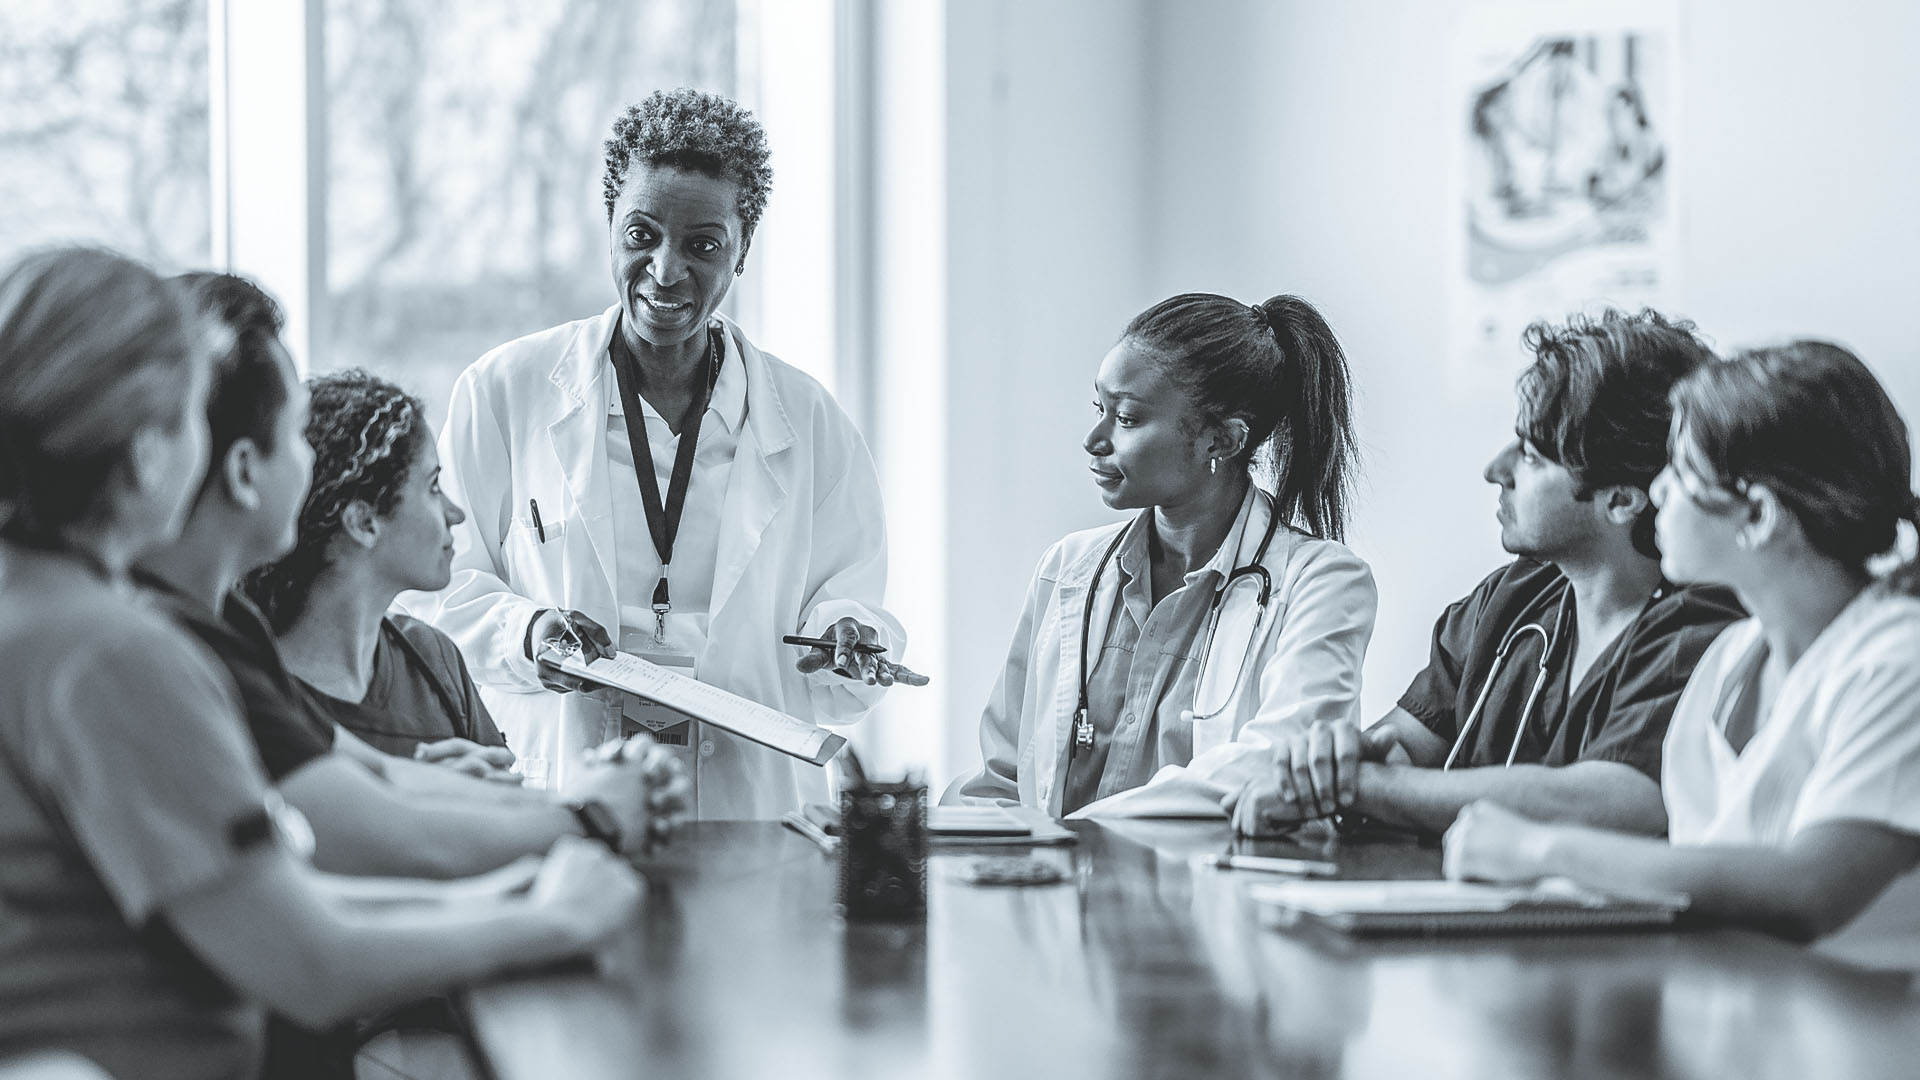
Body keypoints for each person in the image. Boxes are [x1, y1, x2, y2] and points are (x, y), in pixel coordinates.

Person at [0, 247, 641, 1080]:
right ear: (151, 454)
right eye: (197, 412)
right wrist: (554, 919)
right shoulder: (111, 653)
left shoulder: (46, 612)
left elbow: (270, 899)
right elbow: (309, 963)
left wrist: (508, 896)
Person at [405, 87, 924, 814]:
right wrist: (527, 633)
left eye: (703, 245)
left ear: (743, 252)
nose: (666, 270)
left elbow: (849, 615)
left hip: (751, 805)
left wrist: (848, 637)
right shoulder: (505, 392)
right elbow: (432, 590)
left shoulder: (811, 424)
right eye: (642, 234)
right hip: (566, 786)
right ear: (609, 228)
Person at [139, 271, 687, 882]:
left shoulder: (228, 628)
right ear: (243, 470)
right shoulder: (156, 649)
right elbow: (356, 856)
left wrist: (547, 797)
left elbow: (373, 778)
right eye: (295, 434)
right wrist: (589, 818)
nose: (309, 462)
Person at [1445, 341, 1920, 942]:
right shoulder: (1729, 662)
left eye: (1682, 471)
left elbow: (1806, 891)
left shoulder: (1897, 662)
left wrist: (1541, 849)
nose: (1659, 491)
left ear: (1759, 516)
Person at [1230, 309, 1744, 837]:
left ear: (1620, 499)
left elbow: (1620, 799)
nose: (1496, 470)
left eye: (1531, 455)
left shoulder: (1703, 627)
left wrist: (1360, 787)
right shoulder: (1514, 595)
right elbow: (1407, 745)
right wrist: (1334, 762)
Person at [946, 292, 1377, 818]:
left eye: (1126, 419)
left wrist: (1070, 833)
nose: (1094, 439)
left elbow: (1275, 769)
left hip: (1212, 895)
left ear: (1221, 439)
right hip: (1058, 894)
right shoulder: (1066, 570)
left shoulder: (1323, 585)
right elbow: (1003, 777)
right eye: (1099, 409)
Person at [246, 369, 509, 766]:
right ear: (364, 522)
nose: (455, 514)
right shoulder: (254, 688)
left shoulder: (434, 659)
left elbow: (517, 812)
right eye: (433, 487)